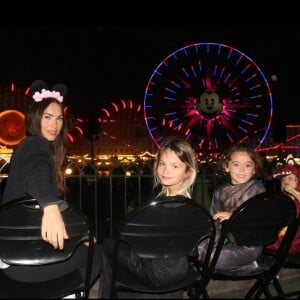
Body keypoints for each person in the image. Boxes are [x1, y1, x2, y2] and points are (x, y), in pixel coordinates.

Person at [1, 79, 102, 286]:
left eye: (59, 118)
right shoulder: (36, 144)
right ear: (35, 118)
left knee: (83, 245)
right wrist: (51, 206)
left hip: (15, 254)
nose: (54, 125)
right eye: (47, 117)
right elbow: (38, 172)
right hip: (22, 262)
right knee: (98, 255)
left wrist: (78, 236)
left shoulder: (26, 147)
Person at [98, 135, 198, 298]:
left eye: (175, 166)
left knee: (110, 244)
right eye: (162, 164)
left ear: (188, 172)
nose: (166, 170)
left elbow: (146, 244)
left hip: (157, 273)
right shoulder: (191, 205)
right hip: (182, 270)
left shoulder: (161, 207)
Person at [198, 143, 266, 271]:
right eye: (236, 164)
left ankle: (248, 265)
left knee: (211, 258)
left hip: (250, 247)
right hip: (228, 243)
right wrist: (211, 242)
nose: (242, 170)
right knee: (198, 248)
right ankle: (235, 264)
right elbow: (215, 223)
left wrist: (234, 216)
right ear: (226, 167)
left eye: (248, 165)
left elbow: (261, 219)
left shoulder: (257, 188)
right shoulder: (220, 191)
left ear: (254, 169)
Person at [265, 163, 300, 254]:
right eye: (283, 179)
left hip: (292, 238)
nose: (285, 181)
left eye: (290, 178)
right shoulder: (284, 198)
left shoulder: (296, 199)